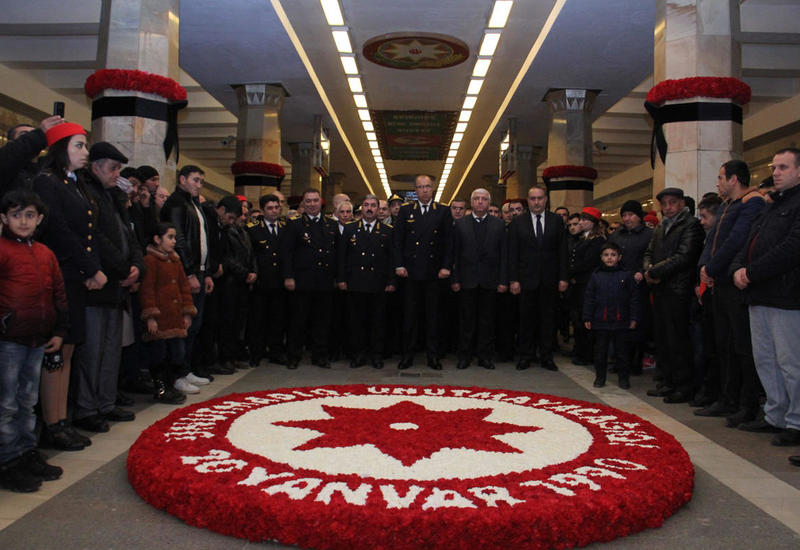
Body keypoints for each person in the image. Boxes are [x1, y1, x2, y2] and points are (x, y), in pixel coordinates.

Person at [33, 122, 103, 451]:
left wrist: (90, 268)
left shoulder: (74, 184)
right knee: (57, 351)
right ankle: (52, 424)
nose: (85, 152)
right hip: (59, 273)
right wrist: (90, 268)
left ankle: (62, 419)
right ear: (61, 148)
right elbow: (59, 230)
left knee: (71, 347)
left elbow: (88, 232)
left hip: (75, 275)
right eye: (78, 145)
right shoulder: (47, 182)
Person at [71, 143, 143, 432]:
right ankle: (87, 408)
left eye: (118, 169)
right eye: (113, 168)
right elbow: (96, 237)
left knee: (111, 349)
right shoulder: (87, 194)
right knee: (92, 351)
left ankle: (106, 402)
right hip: (97, 285)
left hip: (118, 288)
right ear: (96, 166)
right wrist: (125, 268)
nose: (117, 174)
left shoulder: (113, 196)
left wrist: (137, 266)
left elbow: (130, 236)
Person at [731, 148, 800, 446]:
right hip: (759, 295)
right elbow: (750, 241)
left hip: (786, 295)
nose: (776, 172)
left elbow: (791, 248)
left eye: (784, 167)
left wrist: (751, 272)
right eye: (774, 167)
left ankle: (796, 421)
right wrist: (738, 268)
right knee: (766, 360)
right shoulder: (773, 204)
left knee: (790, 362)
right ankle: (776, 415)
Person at [0, 189, 68, 492]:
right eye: (16, 215)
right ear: (4, 219)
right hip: (9, 339)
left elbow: (59, 294)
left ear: (39, 219)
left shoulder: (45, 253)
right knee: (6, 404)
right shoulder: (2, 250)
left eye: (29, 215)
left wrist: (59, 330)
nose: (23, 221)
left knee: (28, 401)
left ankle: (27, 452)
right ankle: (8, 460)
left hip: (38, 338)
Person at [696, 161, 765, 425]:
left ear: (734, 179)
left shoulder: (752, 203)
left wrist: (711, 268)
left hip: (734, 285)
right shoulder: (727, 205)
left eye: (721, 177)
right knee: (723, 344)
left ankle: (747, 403)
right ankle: (727, 398)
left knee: (741, 347)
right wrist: (704, 268)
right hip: (719, 283)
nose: (717, 183)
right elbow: (713, 241)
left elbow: (736, 241)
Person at [644, 187, 705, 404]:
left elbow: (684, 256)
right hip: (660, 290)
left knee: (678, 339)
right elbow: (649, 252)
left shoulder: (691, 225)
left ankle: (684, 385)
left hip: (679, 290)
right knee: (663, 338)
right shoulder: (661, 226)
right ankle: (668, 381)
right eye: (664, 204)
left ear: (682, 203)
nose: (668, 207)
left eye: (672, 203)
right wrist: (648, 270)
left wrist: (654, 272)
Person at [160, 165, 215, 383]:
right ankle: (177, 374)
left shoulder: (194, 204)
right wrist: (190, 272)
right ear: (182, 179)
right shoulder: (176, 203)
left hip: (199, 271)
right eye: (195, 180)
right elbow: (179, 239)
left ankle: (186, 369)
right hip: (184, 272)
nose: (199, 185)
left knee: (194, 324)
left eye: (201, 181)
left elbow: (204, 240)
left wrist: (206, 272)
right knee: (182, 324)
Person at [393, 174, 453, 370]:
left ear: (432, 188)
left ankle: (432, 356)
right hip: (410, 273)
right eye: (420, 187)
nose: (424, 190)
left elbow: (449, 242)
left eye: (427, 186)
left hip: (434, 273)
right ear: (415, 190)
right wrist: (399, 264)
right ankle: (407, 355)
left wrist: (446, 266)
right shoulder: (406, 210)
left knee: (433, 317)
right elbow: (398, 240)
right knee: (410, 317)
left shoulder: (443, 211)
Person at [508, 185, 568, 372]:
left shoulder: (556, 221)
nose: (536, 202)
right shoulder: (518, 222)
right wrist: (513, 279)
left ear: (546, 199)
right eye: (533, 199)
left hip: (550, 280)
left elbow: (563, 251)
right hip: (526, 281)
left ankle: (546, 357)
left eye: (540, 198)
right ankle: (525, 356)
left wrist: (563, 278)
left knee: (548, 321)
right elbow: (513, 253)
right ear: (528, 200)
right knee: (526, 321)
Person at [138, 222, 197, 404]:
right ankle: (161, 388)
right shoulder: (150, 260)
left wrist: (187, 312)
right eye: (169, 237)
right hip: (160, 319)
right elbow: (147, 290)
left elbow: (184, 287)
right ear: (157, 239)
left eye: (174, 237)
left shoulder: (175, 260)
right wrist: (150, 316)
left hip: (175, 317)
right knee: (159, 354)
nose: (173, 241)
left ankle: (170, 385)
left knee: (176, 353)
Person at [450, 188, 507, 370]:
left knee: (487, 321)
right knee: (466, 321)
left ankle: (485, 357)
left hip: (490, 281)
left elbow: (503, 255)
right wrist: (455, 279)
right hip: (466, 280)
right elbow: (454, 255)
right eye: (477, 199)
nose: (480, 202)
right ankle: (464, 356)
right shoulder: (460, 224)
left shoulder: (499, 225)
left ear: (488, 203)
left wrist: (503, 280)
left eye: (484, 199)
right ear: (472, 202)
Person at [282, 188, 338, 369]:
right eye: (308, 201)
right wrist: (288, 276)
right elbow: (287, 253)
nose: (312, 204)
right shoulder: (294, 224)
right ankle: (293, 356)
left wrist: (337, 278)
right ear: (303, 204)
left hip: (324, 280)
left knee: (322, 321)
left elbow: (336, 254)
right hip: (302, 280)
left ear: (320, 202)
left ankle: (319, 355)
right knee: (298, 321)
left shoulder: (331, 224)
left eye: (315, 200)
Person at [337, 194, 395, 369]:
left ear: (378, 209)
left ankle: (376, 355)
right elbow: (342, 257)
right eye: (366, 205)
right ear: (362, 208)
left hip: (378, 283)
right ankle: (359, 354)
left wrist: (391, 281)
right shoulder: (350, 228)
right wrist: (341, 279)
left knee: (378, 322)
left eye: (373, 205)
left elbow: (391, 259)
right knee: (356, 322)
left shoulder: (387, 230)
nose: (369, 208)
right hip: (356, 282)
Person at [583, 242, 639, 388]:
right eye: (606, 255)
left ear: (619, 257)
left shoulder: (626, 275)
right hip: (601, 320)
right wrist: (587, 316)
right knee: (600, 352)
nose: (609, 258)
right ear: (601, 257)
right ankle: (600, 377)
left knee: (622, 352)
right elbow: (589, 298)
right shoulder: (596, 275)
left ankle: (623, 378)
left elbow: (633, 298)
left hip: (621, 321)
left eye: (613, 255)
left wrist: (634, 318)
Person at [609, 200, 654, 375]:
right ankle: (621, 360)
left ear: (639, 216)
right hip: (619, 285)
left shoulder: (649, 234)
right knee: (619, 324)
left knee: (638, 325)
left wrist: (642, 271)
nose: (627, 219)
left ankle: (636, 362)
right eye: (624, 215)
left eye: (631, 215)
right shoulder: (617, 235)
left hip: (639, 286)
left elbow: (651, 256)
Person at [216, 196, 256, 373]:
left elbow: (251, 254)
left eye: (245, 215)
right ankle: (225, 358)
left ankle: (234, 356)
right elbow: (227, 258)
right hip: (230, 282)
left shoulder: (244, 233)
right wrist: (244, 273)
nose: (242, 218)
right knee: (227, 322)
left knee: (239, 323)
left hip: (243, 284)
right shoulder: (227, 232)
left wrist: (253, 271)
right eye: (240, 215)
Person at [246, 194, 288, 366]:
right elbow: (250, 255)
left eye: (276, 207)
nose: (274, 211)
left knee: (278, 319)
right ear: (263, 210)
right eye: (270, 208)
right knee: (258, 319)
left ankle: (276, 351)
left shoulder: (286, 227)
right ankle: (256, 352)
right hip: (261, 281)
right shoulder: (253, 229)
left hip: (279, 281)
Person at [568, 207, 606, 366]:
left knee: (586, 319)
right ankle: (580, 349)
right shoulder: (583, 238)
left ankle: (586, 353)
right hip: (578, 283)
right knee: (578, 319)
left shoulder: (598, 241)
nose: (581, 223)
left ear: (592, 222)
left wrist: (569, 271)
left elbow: (588, 262)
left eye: (584, 220)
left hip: (587, 284)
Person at [0, 116, 62, 199]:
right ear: (10, 142)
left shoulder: (42, 170)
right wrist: (40, 134)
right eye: (24, 135)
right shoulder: (4, 162)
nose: (30, 137)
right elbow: (13, 153)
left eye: (32, 134)